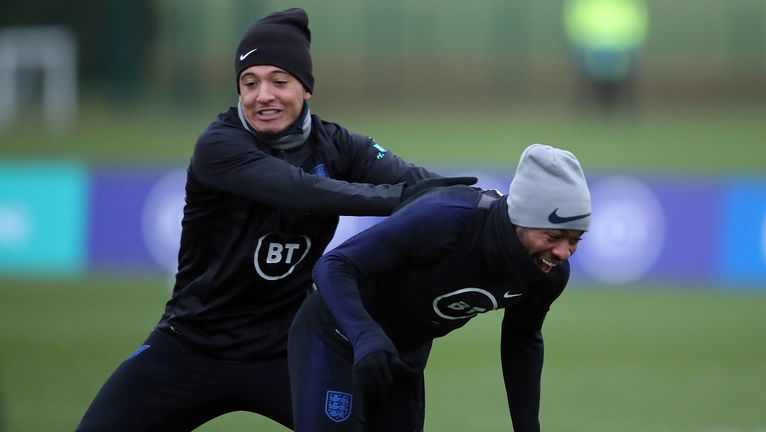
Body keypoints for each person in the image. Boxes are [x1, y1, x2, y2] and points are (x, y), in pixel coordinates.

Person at [76, 8, 475, 431]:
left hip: (289, 349)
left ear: (306, 89)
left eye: (279, 82)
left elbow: (419, 181)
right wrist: (402, 199)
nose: (262, 94)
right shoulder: (218, 145)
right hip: (190, 346)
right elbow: (301, 190)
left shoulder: (339, 145)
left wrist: (489, 204)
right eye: (250, 83)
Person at [288, 144, 592, 432]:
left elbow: (522, 343)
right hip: (336, 336)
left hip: (400, 354)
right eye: (553, 237)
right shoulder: (448, 217)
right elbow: (333, 266)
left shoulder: (547, 273)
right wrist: (364, 334)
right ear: (521, 219)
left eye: (575, 240)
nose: (563, 253)